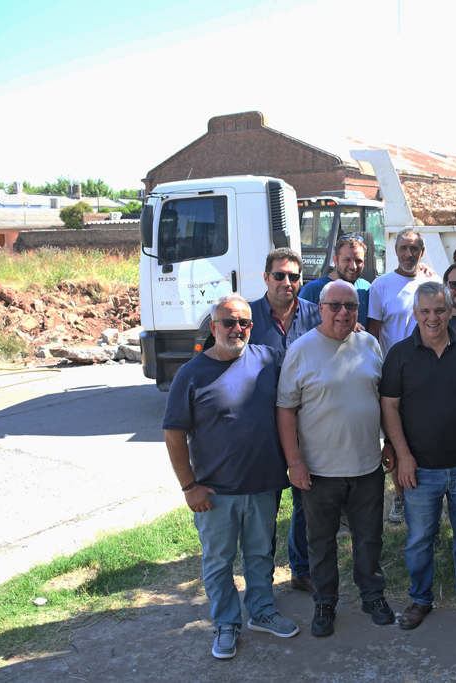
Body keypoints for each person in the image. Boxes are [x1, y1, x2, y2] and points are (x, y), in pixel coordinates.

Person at [163, 294, 299, 660]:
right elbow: (174, 435)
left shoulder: (270, 360)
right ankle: (225, 623)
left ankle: (262, 611)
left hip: (263, 485)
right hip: (215, 492)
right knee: (219, 560)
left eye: (245, 323)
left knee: (260, 554)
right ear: (213, 328)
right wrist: (189, 486)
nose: (237, 329)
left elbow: (305, 373)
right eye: (229, 322)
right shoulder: (191, 375)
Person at [276, 280, 394, 636]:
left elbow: (383, 399)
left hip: (367, 465)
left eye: (351, 306)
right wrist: (294, 462)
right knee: (321, 541)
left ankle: (372, 595)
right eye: (336, 306)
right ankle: (325, 602)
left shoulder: (370, 344)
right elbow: (285, 410)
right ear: (320, 308)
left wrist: (388, 442)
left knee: (369, 537)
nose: (344, 312)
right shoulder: (302, 349)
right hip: (319, 470)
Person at [380, 281, 456, 629]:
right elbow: (389, 406)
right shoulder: (399, 354)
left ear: (450, 311)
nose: (433, 317)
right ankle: (420, 598)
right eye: (426, 311)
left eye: (440, 310)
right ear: (416, 314)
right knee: (419, 539)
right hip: (420, 467)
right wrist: (403, 455)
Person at [248, 247, 322, 595]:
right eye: (280, 275)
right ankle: (260, 585)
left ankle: (301, 568)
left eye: (294, 276)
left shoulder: (315, 315)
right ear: (266, 278)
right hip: (261, 430)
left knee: (304, 504)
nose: (287, 282)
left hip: (307, 427)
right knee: (263, 512)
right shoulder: (245, 318)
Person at [368, 228, 441, 523]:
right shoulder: (380, 286)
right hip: (393, 374)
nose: (408, 253)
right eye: (403, 248)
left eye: (414, 248)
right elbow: (373, 335)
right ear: (395, 251)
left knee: (425, 433)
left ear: (421, 252)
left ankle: (429, 492)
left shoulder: (432, 282)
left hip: (429, 373)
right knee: (395, 440)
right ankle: (399, 496)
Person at [298, 235, 372, 328]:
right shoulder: (312, 290)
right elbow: (298, 328)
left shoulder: (366, 289)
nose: (353, 266)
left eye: (358, 261)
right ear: (335, 260)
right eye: (347, 260)